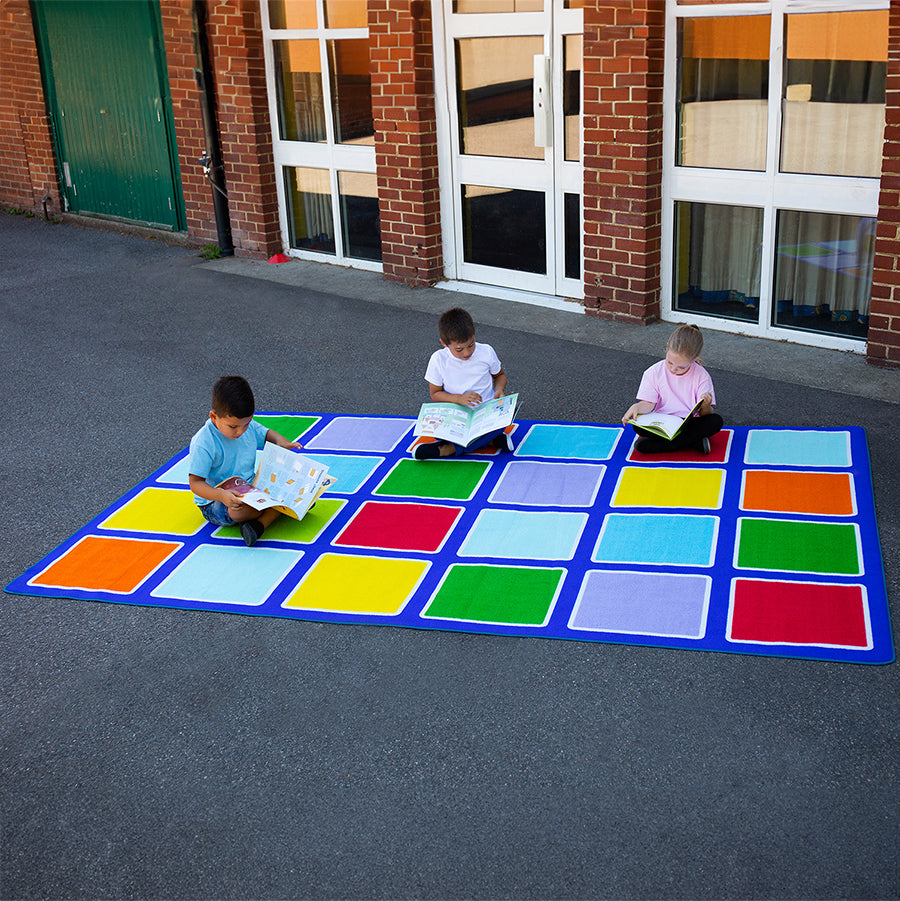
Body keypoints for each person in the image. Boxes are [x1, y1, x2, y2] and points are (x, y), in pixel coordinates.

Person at [188, 376, 303, 546]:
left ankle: (258, 525)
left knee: (296, 485)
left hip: (251, 488)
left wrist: (282, 442)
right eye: (233, 427)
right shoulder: (204, 443)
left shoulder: (244, 426)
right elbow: (196, 483)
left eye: (246, 424)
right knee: (242, 510)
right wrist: (222, 495)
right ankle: (276, 514)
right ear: (213, 417)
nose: (240, 431)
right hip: (217, 502)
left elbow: (266, 434)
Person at [414, 307, 513, 460]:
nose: (467, 353)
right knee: (447, 430)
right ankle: (489, 441)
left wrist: (499, 390)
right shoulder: (438, 359)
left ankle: (448, 449)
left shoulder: (486, 352)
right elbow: (435, 394)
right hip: (456, 414)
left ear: (474, 336)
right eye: (459, 349)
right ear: (444, 343)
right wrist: (458, 398)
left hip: (484, 412)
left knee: (501, 420)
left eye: (471, 345)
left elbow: (499, 376)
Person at [621, 324, 723, 455]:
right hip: (662, 422)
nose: (673, 369)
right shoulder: (653, 372)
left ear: (695, 359)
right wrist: (636, 408)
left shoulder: (702, 376)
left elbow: (706, 414)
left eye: (681, 367)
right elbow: (648, 404)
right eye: (669, 362)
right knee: (637, 425)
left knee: (715, 421)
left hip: (689, 423)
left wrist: (706, 405)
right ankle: (693, 442)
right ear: (667, 346)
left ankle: (669, 445)